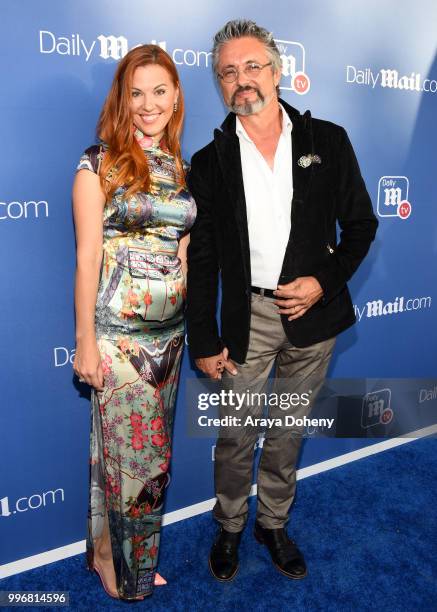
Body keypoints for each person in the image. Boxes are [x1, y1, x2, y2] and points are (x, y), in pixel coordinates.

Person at [186, 19, 378, 582]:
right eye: (228, 72)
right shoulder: (209, 160)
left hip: (314, 317)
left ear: (277, 70)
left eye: (252, 66)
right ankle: (229, 526)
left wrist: (324, 280)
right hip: (246, 318)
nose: (241, 80)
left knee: (288, 428)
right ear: (220, 86)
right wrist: (204, 336)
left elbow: (361, 226)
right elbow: (201, 261)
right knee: (236, 432)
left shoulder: (329, 141)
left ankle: (273, 522)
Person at [72, 44, 196, 600]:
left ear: (175, 98)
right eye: (136, 92)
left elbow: (182, 250)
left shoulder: (181, 167)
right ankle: (123, 569)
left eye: (159, 91)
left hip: (171, 337)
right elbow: (87, 257)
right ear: (123, 100)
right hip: (120, 341)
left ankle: (117, 554)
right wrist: (86, 344)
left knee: (153, 461)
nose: (148, 104)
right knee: (132, 464)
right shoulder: (98, 162)